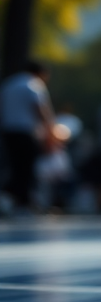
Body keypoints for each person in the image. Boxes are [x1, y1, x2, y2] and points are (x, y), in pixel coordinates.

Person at [1, 61, 58, 212]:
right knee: (27, 167)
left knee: (14, 165)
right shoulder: (34, 85)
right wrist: (51, 132)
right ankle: (22, 202)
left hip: (8, 131)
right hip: (27, 132)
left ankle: (12, 198)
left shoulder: (9, 84)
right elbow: (40, 109)